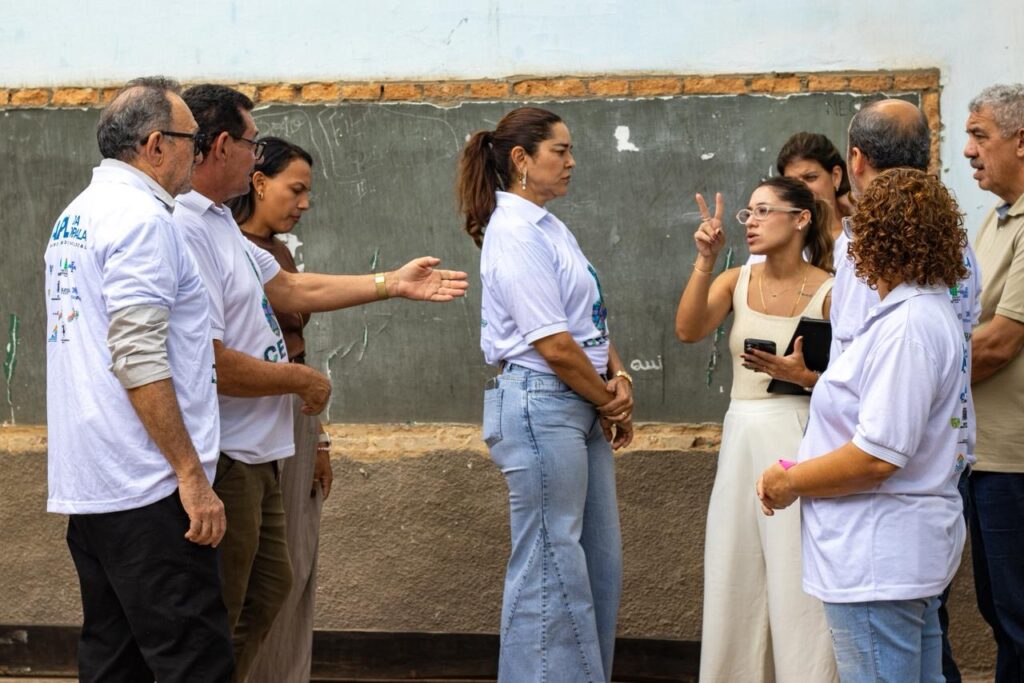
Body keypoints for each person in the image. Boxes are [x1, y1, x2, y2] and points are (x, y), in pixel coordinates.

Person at [175, 84, 469, 681]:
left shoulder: (219, 224)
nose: (256, 155)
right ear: (223, 146)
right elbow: (207, 361)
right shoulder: (183, 227)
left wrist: (392, 283)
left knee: (270, 588)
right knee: (222, 609)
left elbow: (289, 289)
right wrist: (299, 379)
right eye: (252, 143)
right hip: (224, 448)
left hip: (260, 447)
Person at [44, 76, 233, 681]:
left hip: (97, 481)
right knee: (193, 662)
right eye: (191, 140)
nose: (197, 153)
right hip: (149, 486)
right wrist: (190, 475)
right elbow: (138, 356)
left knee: (114, 660)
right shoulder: (143, 220)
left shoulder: (77, 214)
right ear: (155, 145)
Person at [758, 167, 970, 682]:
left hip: (878, 556)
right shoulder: (915, 314)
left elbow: (877, 457)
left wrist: (790, 481)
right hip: (892, 554)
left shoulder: (907, 328)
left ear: (876, 243)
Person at [456, 106, 634, 682]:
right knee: (550, 569)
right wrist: (606, 398)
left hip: (578, 403)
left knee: (597, 567)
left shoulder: (549, 227)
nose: (571, 161)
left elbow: (586, 323)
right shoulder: (514, 232)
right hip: (542, 403)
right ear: (521, 159)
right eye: (560, 150)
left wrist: (620, 378)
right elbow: (553, 344)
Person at [675, 176, 837, 682]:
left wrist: (804, 377)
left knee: (795, 576)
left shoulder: (832, 290)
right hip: (742, 437)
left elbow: (854, 382)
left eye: (764, 211)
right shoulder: (736, 279)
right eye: (749, 212)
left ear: (801, 219)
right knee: (735, 569)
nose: (751, 222)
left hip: (800, 436)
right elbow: (688, 329)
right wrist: (705, 260)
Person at [225, 137, 331, 682]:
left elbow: (296, 351)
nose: (303, 203)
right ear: (259, 182)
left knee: (295, 563)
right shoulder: (224, 246)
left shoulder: (276, 252)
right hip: (251, 420)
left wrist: (322, 438)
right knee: (257, 579)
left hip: (295, 415)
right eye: (296, 189)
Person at [964, 83, 1024, 683]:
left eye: (980, 136)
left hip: (1015, 460)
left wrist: (912, 374)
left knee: (1018, 615)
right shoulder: (998, 218)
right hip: (986, 455)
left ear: (1022, 141)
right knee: (1001, 611)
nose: (968, 150)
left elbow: (1000, 342)